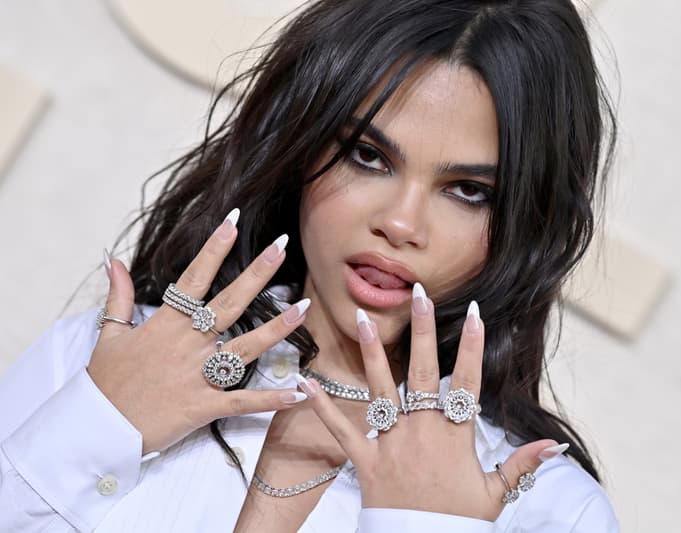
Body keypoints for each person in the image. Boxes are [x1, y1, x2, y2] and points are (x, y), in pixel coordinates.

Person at [0, 0, 620, 531]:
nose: (401, 224)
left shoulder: (548, 508)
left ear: (524, 223)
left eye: (468, 191)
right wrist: (96, 430)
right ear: (301, 145)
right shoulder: (100, 360)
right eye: (368, 155)